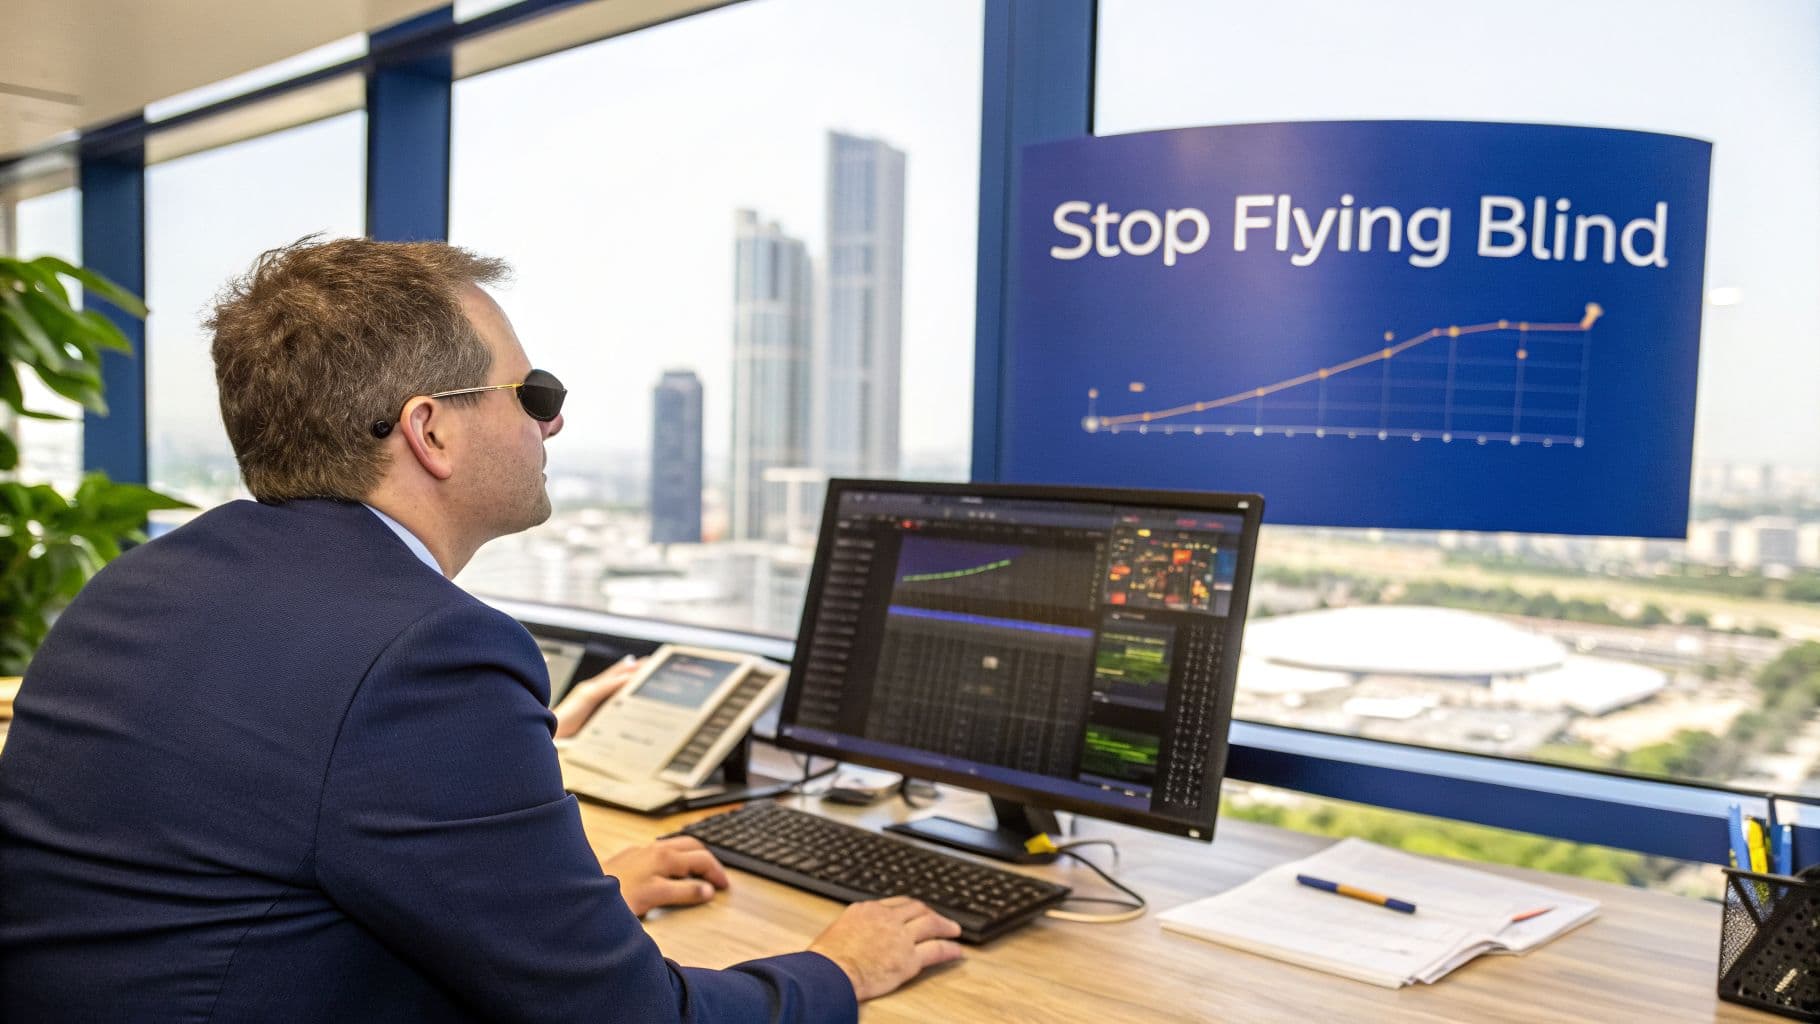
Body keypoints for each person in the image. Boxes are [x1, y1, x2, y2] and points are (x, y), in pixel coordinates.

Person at [0, 238, 961, 1022]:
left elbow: (256, 875)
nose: (551, 427)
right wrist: (839, 969)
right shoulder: (424, 655)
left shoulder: (137, 587)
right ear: (432, 431)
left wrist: (575, 909)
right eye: (532, 395)